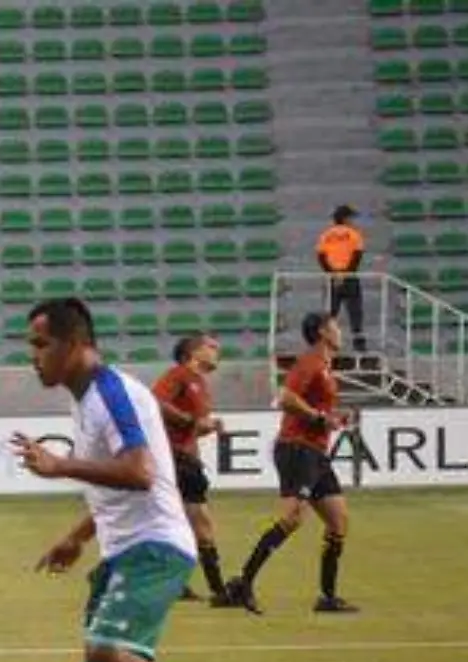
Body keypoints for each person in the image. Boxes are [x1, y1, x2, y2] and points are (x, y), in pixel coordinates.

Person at [9, 298, 217, 662]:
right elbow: (113, 487)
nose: (32, 356)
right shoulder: (85, 400)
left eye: (40, 344)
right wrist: (77, 537)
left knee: (109, 649)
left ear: (75, 344)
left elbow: (140, 472)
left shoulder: (111, 392)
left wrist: (60, 467)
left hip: (157, 543)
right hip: (121, 548)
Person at [218, 312, 359, 615]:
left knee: (339, 520)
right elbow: (285, 398)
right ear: (323, 332)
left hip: (316, 453)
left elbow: (310, 408)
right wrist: (320, 417)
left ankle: (327, 597)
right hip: (298, 450)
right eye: (335, 325)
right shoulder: (309, 363)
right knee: (293, 518)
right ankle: (243, 583)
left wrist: (332, 419)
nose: (340, 330)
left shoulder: (323, 366)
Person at [151, 334, 226, 602]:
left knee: (177, 523)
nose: (217, 349)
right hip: (175, 458)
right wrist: (190, 422)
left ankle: (173, 582)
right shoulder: (179, 375)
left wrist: (206, 426)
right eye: (211, 346)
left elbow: (191, 426)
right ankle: (219, 590)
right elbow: (155, 404)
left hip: (185, 458)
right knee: (199, 520)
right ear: (192, 352)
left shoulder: (199, 383)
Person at [317, 205, 368, 354]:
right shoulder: (353, 234)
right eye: (351, 217)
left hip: (332, 278)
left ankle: (326, 345)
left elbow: (321, 257)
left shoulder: (326, 235)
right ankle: (359, 346)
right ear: (345, 218)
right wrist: (346, 274)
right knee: (355, 312)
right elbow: (357, 255)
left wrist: (333, 273)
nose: (353, 221)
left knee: (330, 314)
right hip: (350, 277)